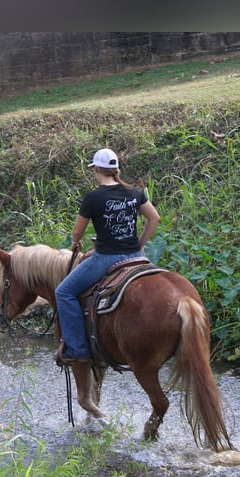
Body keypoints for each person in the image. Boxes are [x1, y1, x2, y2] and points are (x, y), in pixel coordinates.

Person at [54, 147, 161, 364]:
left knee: (63, 292)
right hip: (136, 257)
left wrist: (75, 243)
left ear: (97, 170)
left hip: (106, 258)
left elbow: (77, 232)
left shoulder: (93, 197)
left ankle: (78, 349)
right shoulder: (134, 192)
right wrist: (139, 244)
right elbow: (154, 218)